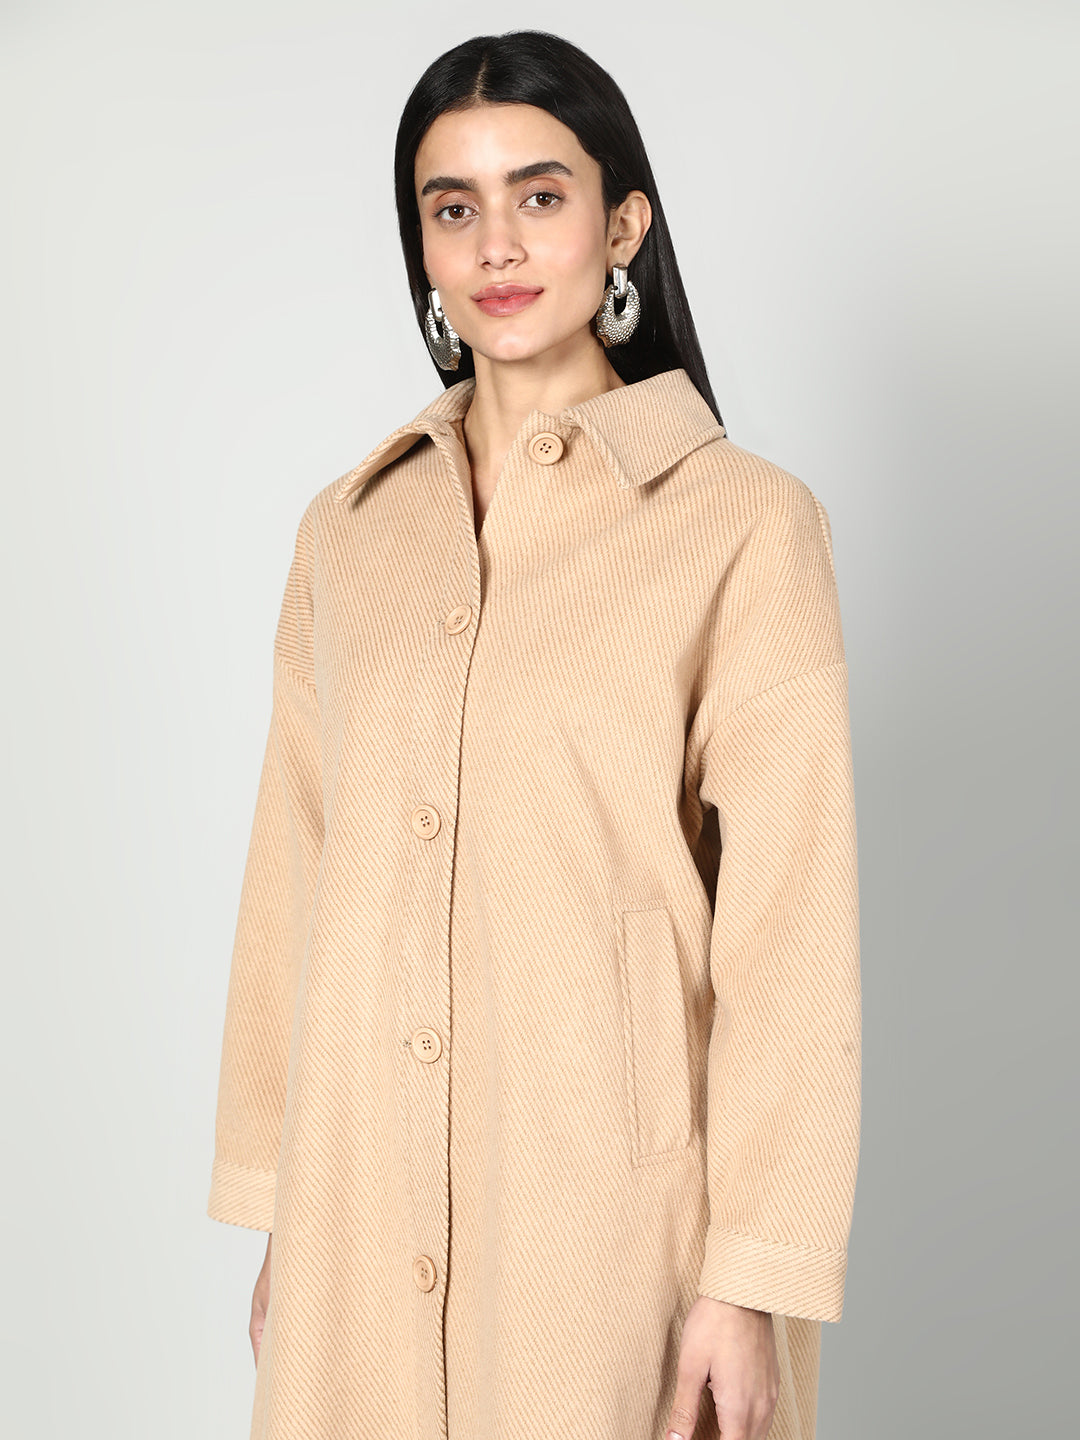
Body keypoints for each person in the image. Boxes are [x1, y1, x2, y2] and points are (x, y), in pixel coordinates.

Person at [207, 28, 861, 1440]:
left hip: (614, 1225)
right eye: (453, 206)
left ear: (622, 224)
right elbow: (295, 872)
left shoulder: (744, 523)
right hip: (361, 1205)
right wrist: (284, 1206)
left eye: (541, 195)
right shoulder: (349, 531)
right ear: (422, 247)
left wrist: (749, 1280)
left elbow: (791, 934)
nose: (496, 244)